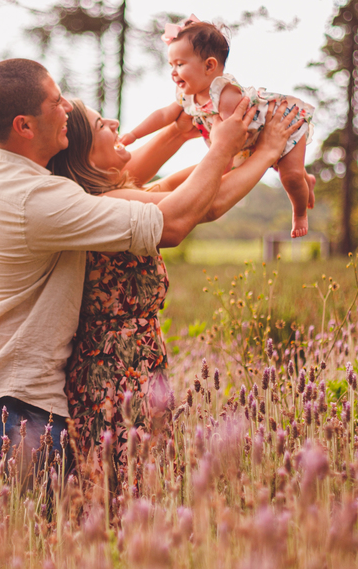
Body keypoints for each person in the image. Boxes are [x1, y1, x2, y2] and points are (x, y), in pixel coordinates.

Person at [0, 58, 260, 479]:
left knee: (21, 541)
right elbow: (173, 220)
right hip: (15, 410)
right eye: (57, 102)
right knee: (38, 542)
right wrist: (227, 146)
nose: (67, 109)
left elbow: (121, 186)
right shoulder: (35, 199)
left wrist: (181, 134)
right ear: (23, 126)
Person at [48, 99, 299, 470]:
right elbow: (203, 206)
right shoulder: (103, 202)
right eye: (102, 124)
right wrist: (264, 152)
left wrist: (228, 151)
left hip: (132, 366)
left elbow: (176, 185)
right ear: (85, 153)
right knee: (123, 492)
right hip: (115, 376)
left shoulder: (107, 196)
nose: (115, 122)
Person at [119, 16, 318, 238]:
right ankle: (305, 178)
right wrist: (134, 134)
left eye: (180, 64)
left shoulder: (225, 95)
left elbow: (229, 138)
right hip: (249, 144)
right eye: (171, 65)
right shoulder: (189, 95)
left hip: (281, 124)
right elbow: (164, 115)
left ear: (209, 66)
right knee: (288, 174)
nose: (173, 72)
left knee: (290, 177)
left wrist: (222, 164)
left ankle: (300, 212)